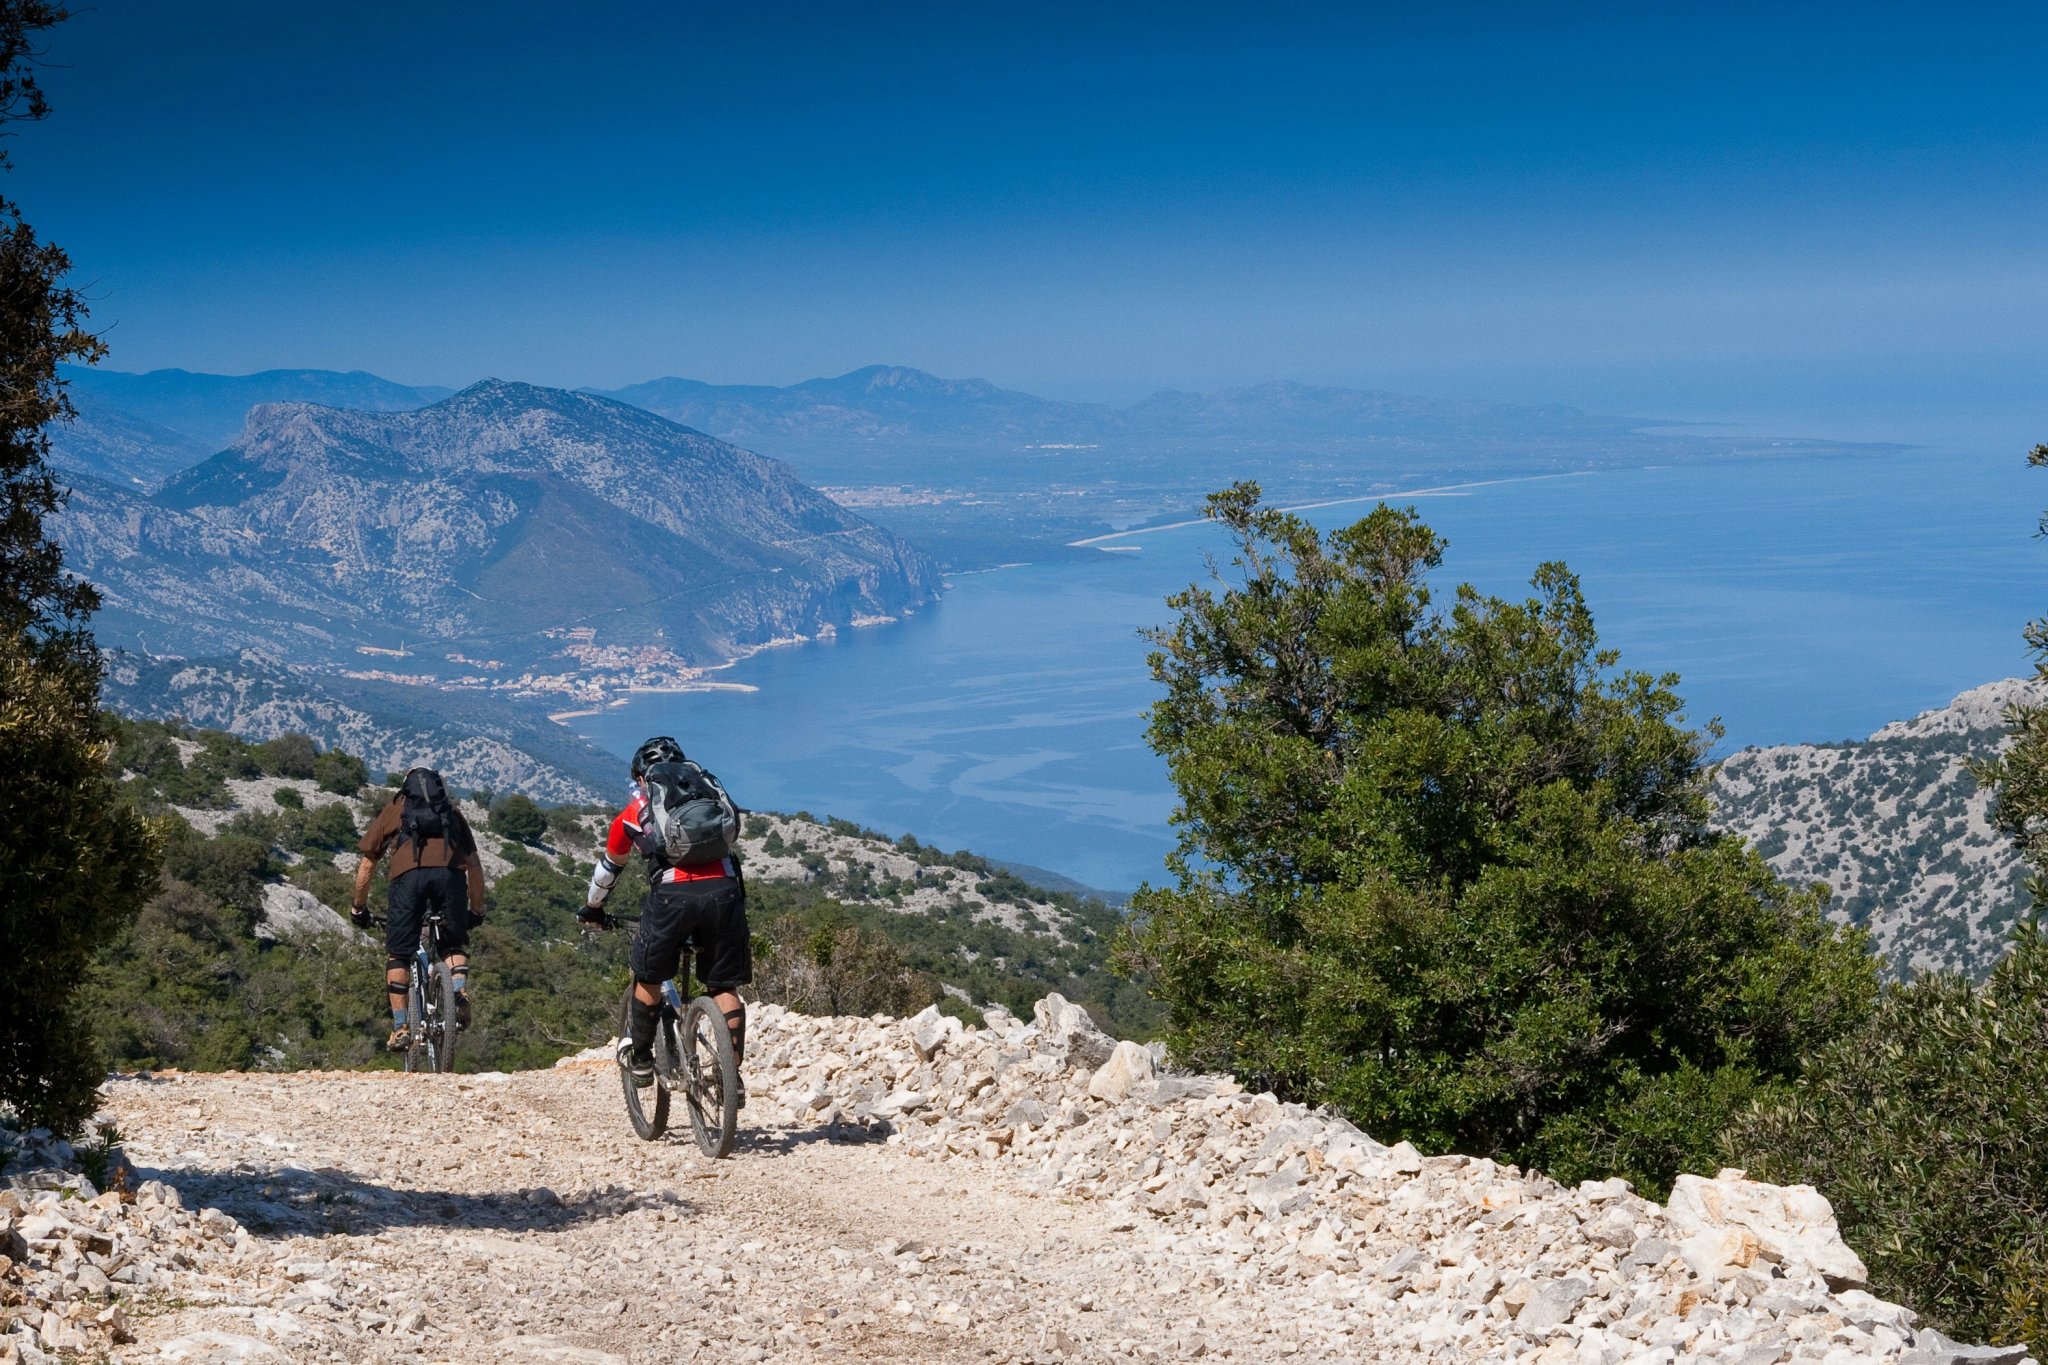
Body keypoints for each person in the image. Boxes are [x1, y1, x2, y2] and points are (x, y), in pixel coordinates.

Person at [580, 735, 749, 1099]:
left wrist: (593, 908)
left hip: (673, 899)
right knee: (723, 987)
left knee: (649, 977)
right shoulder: (705, 793)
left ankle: (640, 1062)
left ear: (642, 778)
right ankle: (731, 1078)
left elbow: (609, 869)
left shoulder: (636, 811)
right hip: (725, 895)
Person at [351, 767, 487, 1052]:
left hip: (407, 880)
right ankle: (458, 989)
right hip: (450, 877)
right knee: (452, 943)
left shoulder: (396, 810)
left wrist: (358, 907)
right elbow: (474, 868)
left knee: (399, 953)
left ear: (406, 787)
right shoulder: (451, 813)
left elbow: (367, 864)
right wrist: (476, 909)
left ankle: (400, 1027)